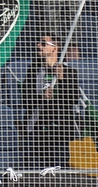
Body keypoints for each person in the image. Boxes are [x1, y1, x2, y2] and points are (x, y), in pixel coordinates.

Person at [21, 33, 81, 169]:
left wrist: (62, 80)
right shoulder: (33, 71)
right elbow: (24, 100)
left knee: (59, 172)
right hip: (36, 131)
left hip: (61, 133)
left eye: (43, 43)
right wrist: (41, 96)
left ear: (54, 49)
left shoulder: (69, 72)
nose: (38, 46)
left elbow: (72, 99)